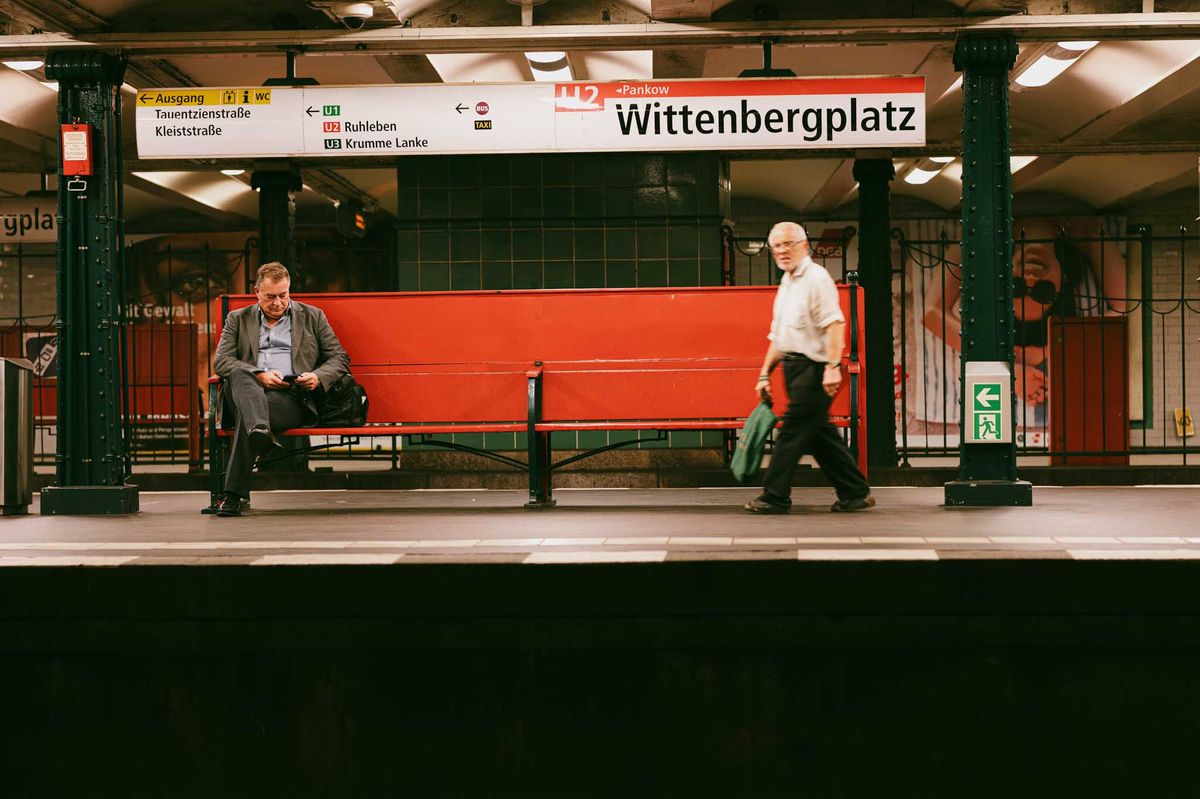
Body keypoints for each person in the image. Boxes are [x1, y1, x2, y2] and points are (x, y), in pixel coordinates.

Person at [744, 222, 875, 514]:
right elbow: (779, 336)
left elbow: (834, 323)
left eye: (788, 244)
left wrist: (832, 366)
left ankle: (775, 496)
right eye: (776, 245)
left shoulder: (816, 278)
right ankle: (855, 492)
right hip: (794, 369)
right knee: (819, 436)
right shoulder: (788, 282)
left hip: (814, 369)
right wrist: (765, 373)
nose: (781, 251)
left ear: (804, 246)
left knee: (791, 432)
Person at [212, 262, 349, 517]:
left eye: (283, 295)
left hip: (289, 397)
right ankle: (258, 432)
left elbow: (339, 358)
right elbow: (221, 362)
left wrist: (317, 377)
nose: (278, 302)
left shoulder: (312, 316)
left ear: (289, 290)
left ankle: (233, 491)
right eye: (270, 296)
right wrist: (260, 375)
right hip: (245, 391)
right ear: (256, 292)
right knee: (242, 374)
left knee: (251, 418)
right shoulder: (237, 319)